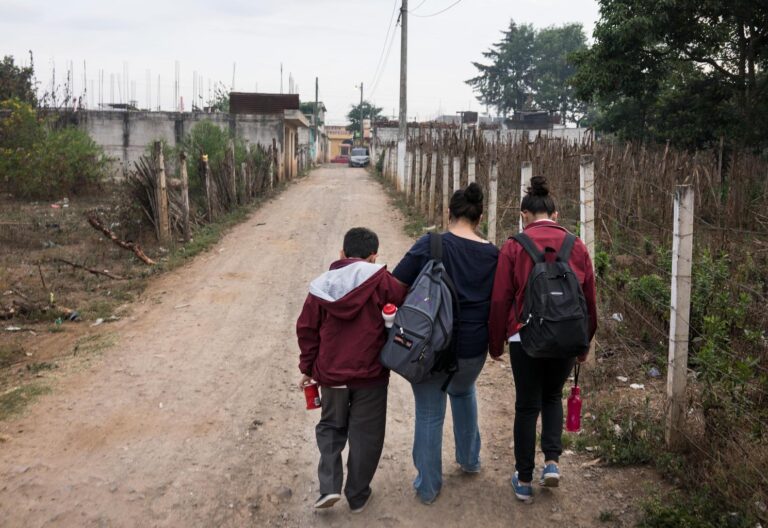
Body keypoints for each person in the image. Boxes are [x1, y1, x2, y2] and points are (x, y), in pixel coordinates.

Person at [488, 176, 597, 503]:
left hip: (525, 337)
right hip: (566, 335)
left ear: (524, 214)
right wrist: (584, 342)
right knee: (552, 397)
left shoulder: (513, 246)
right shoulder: (576, 245)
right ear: (556, 214)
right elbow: (589, 299)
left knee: (526, 405)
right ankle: (551, 463)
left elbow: (499, 300)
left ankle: (523, 480)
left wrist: (496, 343)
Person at [392, 182, 499, 505]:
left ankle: (428, 486)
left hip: (430, 349)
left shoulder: (431, 244)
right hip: (472, 350)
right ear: (480, 218)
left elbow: (396, 284)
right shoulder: (493, 253)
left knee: (429, 412)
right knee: (464, 391)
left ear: (447, 213)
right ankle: (469, 460)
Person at [296, 227, 407, 512]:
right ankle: (357, 496)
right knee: (366, 435)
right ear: (373, 257)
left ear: (342, 254)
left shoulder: (323, 286)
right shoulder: (382, 281)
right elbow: (404, 304)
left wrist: (308, 367)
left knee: (331, 427)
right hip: (370, 376)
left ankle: (330, 487)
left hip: (331, 376)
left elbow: (307, 328)